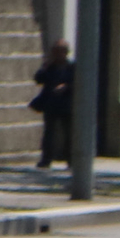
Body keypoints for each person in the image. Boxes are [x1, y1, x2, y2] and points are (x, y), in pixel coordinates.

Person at [31, 40, 74, 168]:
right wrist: (44, 67)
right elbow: (38, 79)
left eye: (59, 51)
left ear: (65, 52)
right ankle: (46, 159)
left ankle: (70, 160)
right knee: (49, 133)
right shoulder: (50, 67)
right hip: (51, 104)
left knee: (69, 133)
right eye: (54, 51)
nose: (56, 54)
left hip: (67, 104)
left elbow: (77, 82)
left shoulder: (71, 67)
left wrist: (66, 87)